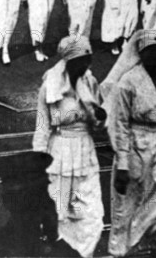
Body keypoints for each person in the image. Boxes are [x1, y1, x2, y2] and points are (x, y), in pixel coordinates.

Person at [100, 30, 156, 257]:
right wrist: (122, 164)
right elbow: (120, 125)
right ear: (141, 53)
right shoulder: (128, 82)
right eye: (150, 51)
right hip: (137, 145)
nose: (155, 55)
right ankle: (124, 250)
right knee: (130, 205)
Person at [33, 35, 105, 258]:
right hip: (60, 153)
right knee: (63, 213)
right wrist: (38, 163)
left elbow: (99, 123)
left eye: (88, 59)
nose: (87, 64)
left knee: (92, 214)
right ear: (70, 61)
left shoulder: (90, 82)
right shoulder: (50, 86)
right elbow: (42, 126)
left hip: (86, 152)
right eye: (82, 60)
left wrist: (101, 117)